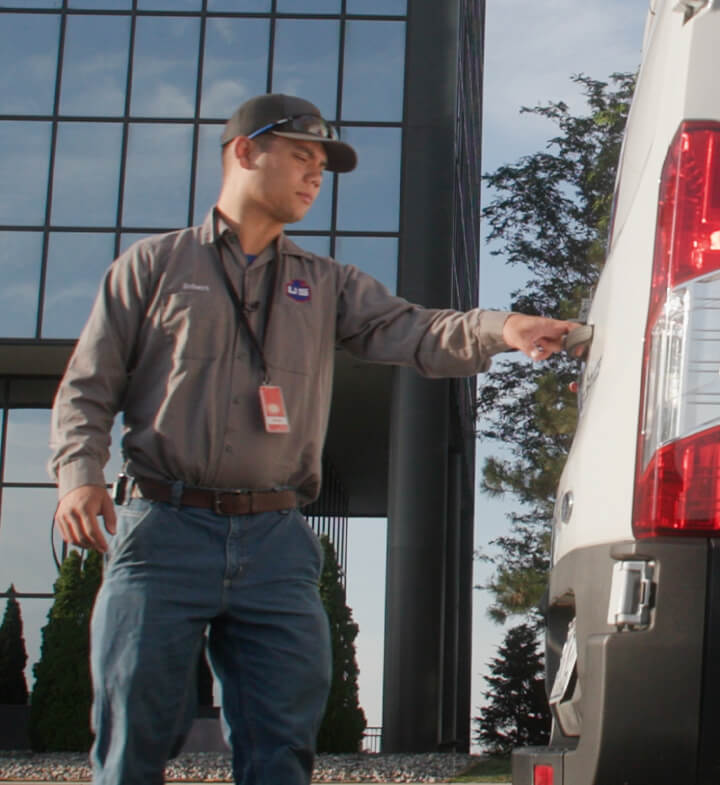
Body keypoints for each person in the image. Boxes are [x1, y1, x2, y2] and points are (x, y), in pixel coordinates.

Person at [49, 93, 577, 785]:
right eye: (301, 156)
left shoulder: (325, 284)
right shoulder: (152, 266)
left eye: (322, 168)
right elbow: (87, 386)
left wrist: (502, 328)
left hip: (275, 541)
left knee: (281, 748)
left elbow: (416, 329)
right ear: (244, 151)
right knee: (132, 742)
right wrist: (79, 474)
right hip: (163, 531)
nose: (314, 176)